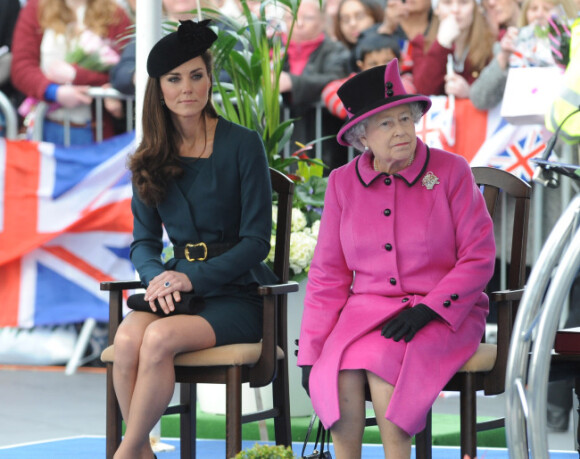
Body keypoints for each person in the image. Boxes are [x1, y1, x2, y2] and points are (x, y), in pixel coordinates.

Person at [297, 58, 496, 459]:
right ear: (361, 136)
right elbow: (327, 275)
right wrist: (312, 350)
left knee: (379, 362)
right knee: (337, 370)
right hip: (364, 314)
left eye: (405, 118)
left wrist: (430, 309)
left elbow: (478, 256)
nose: (402, 130)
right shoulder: (341, 183)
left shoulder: (451, 171)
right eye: (386, 123)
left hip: (445, 313)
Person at [111, 19, 277, 459]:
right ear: (159, 89)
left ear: (209, 79)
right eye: (174, 78)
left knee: (159, 340)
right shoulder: (149, 157)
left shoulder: (244, 145)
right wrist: (157, 278)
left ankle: (127, 453)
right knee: (128, 340)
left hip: (240, 293)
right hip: (176, 289)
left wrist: (190, 280)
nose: (188, 88)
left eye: (197, 75)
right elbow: (143, 243)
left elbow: (257, 241)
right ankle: (140, 451)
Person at [10, 0, 131, 145]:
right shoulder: (36, 8)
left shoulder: (114, 14)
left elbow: (124, 71)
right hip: (45, 125)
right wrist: (55, 92)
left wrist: (76, 75)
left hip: (93, 129)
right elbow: (21, 67)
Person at [278, 0, 351, 171]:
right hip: (283, 141)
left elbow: (336, 78)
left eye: (308, 17)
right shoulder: (272, 48)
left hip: (324, 141)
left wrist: (292, 83)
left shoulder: (336, 50)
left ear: (323, 20)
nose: (299, 23)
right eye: (291, 17)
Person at [321, 30, 415, 119]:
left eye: (387, 62)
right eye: (373, 63)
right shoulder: (356, 81)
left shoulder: (405, 79)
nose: (380, 67)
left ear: (400, 62)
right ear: (361, 66)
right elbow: (328, 91)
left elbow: (406, 92)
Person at [411, 0, 495, 97]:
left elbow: (494, 93)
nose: (455, 10)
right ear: (436, 9)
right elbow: (423, 91)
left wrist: (470, 93)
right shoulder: (421, 44)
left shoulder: (491, 45)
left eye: (463, 2)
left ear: (475, 7)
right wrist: (442, 44)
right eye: (447, 3)